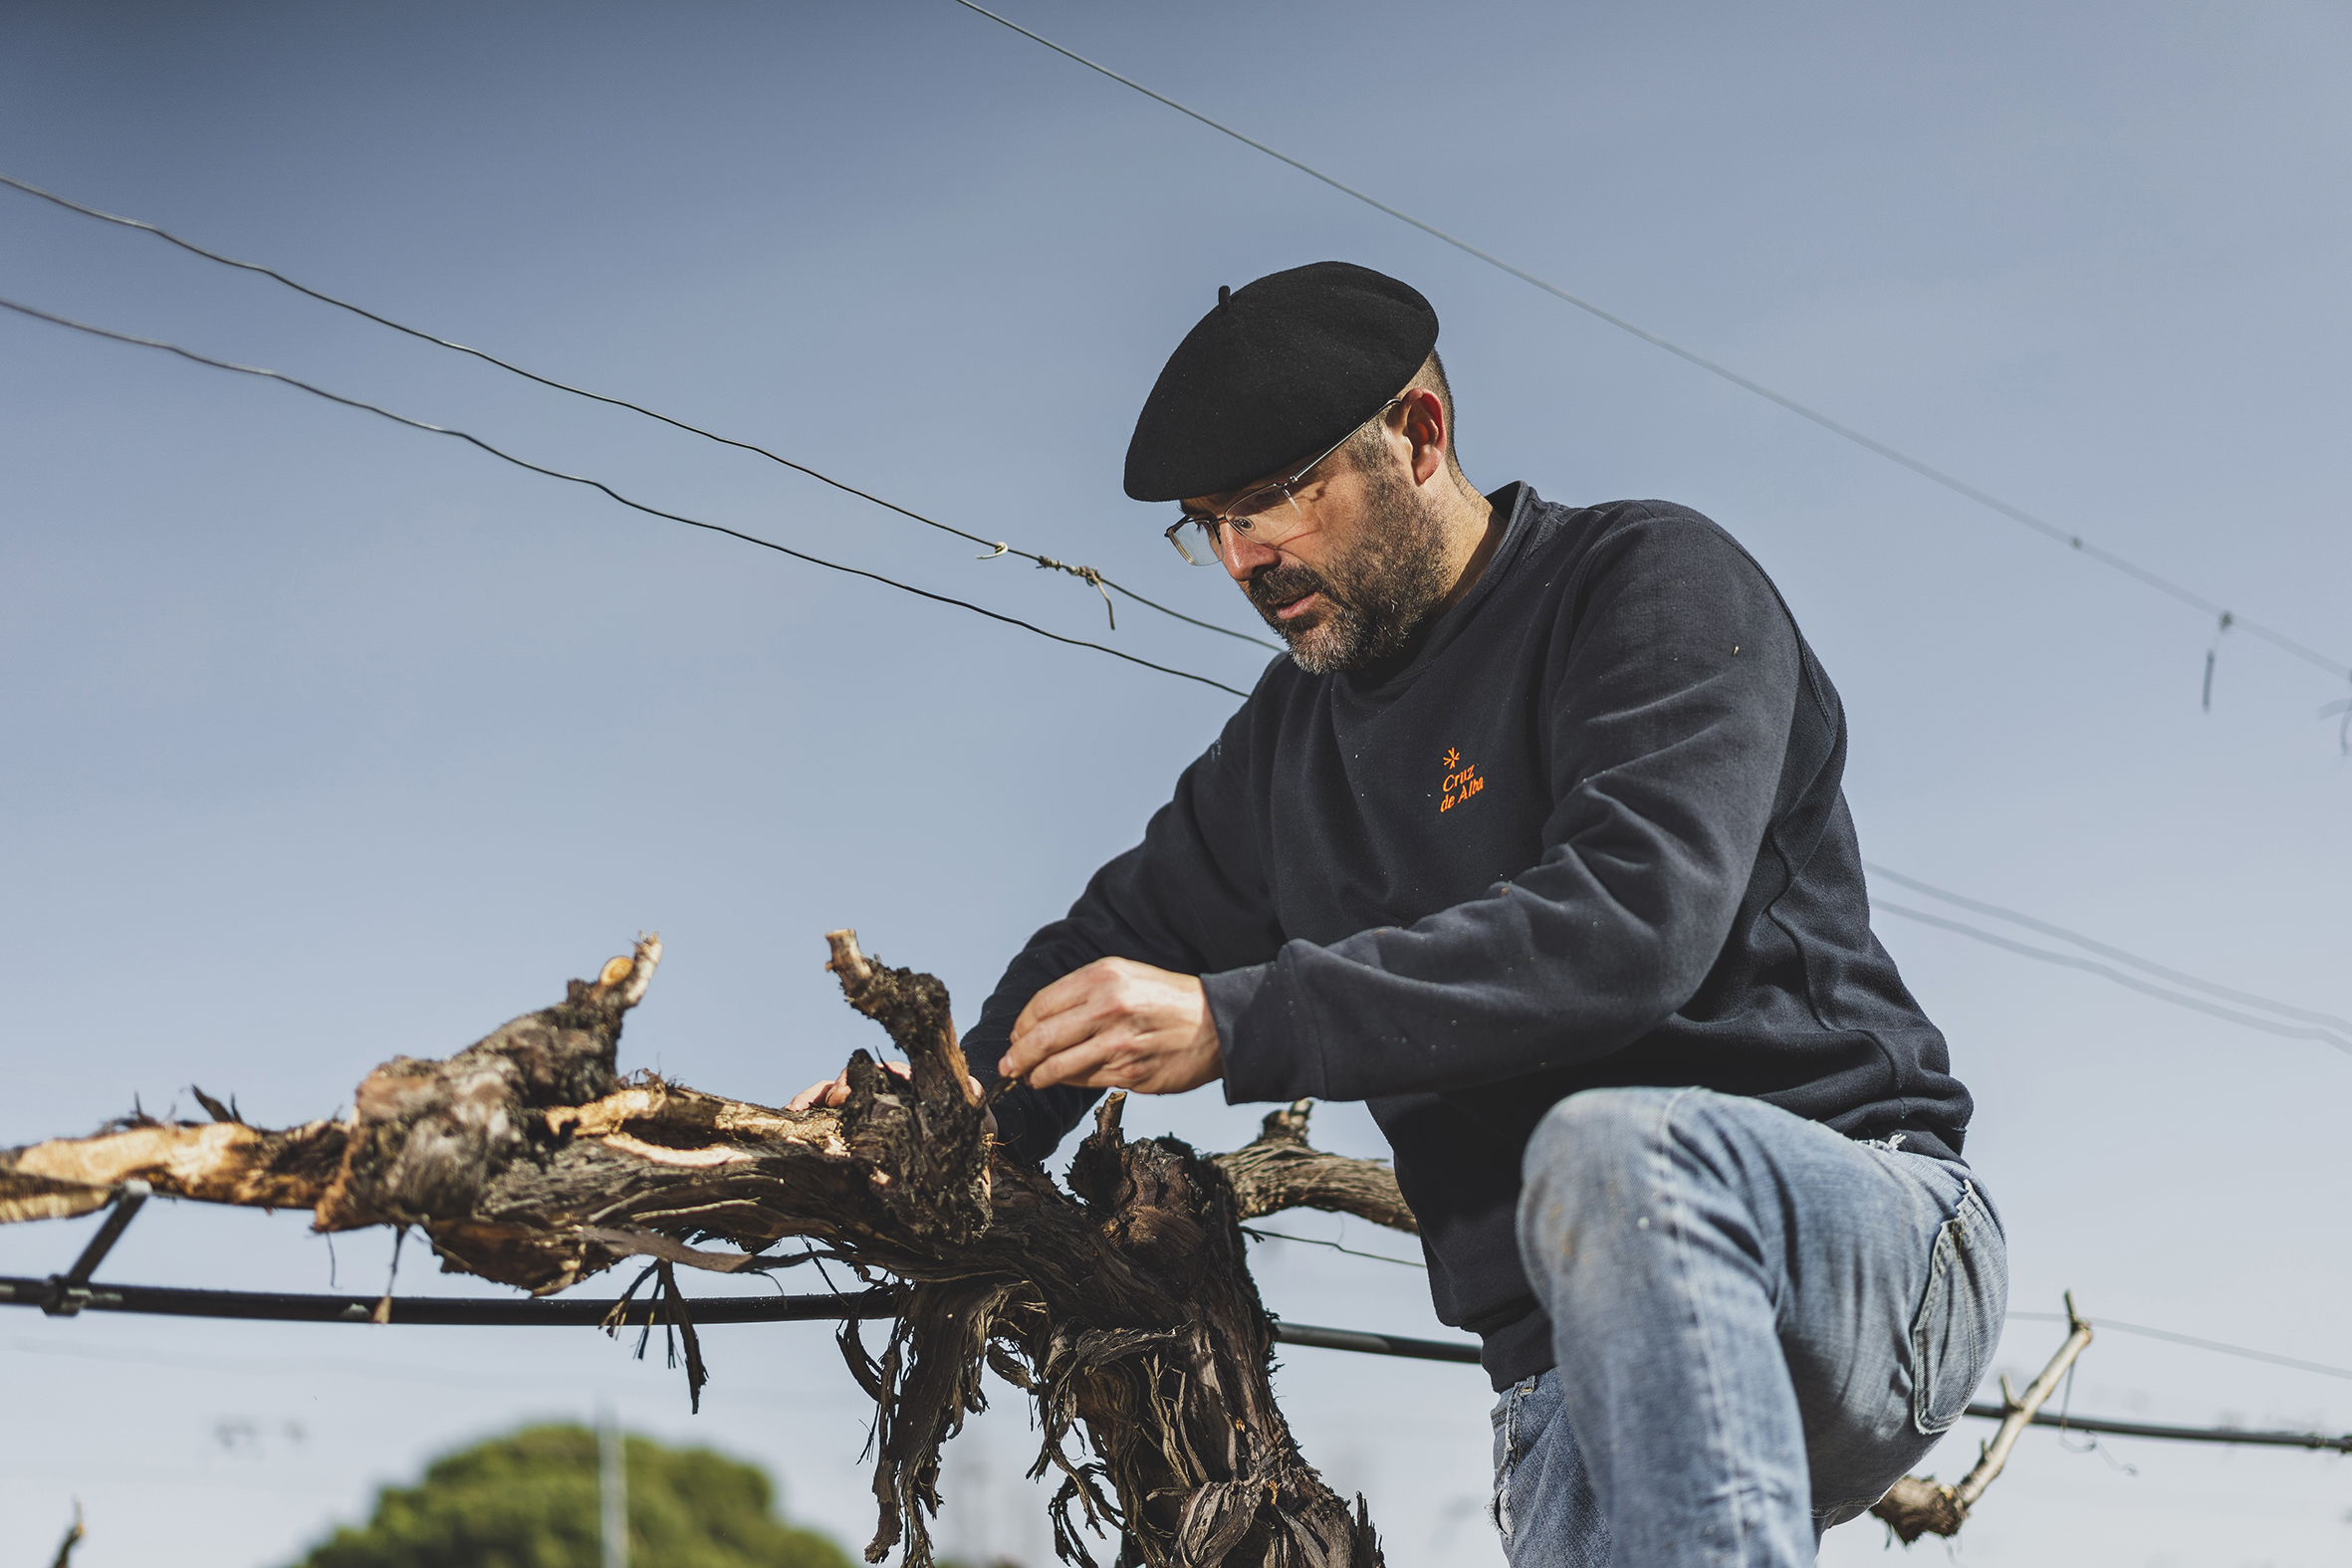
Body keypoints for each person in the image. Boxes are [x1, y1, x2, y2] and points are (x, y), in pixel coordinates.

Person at [795, 261, 2006, 1565]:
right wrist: (945, 1117)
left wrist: (1240, 1021)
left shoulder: (1644, 585)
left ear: (1419, 436)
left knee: (1615, 1159)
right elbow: (1111, 946)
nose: (1241, 559)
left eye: (1273, 499)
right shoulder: (1282, 755)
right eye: (1208, 526)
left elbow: (1629, 923)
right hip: (1560, 1369)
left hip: (1858, 1241)